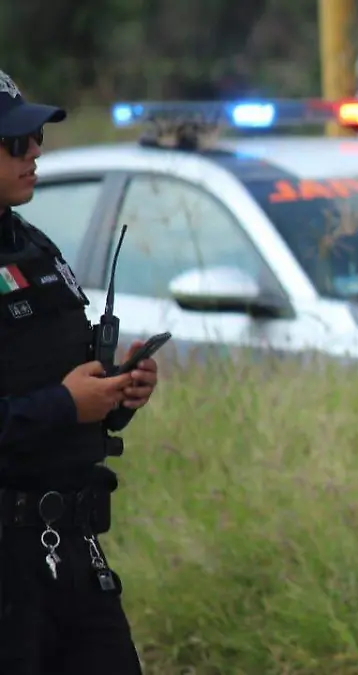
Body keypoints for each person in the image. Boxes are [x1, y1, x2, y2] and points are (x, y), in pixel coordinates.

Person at [0, 70, 160, 674]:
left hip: (69, 545)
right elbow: (54, 400)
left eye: (36, 137)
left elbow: (58, 373)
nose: (34, 152)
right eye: (15, 142)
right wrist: (65, 404)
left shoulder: (33, 245)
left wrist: (116, 392)